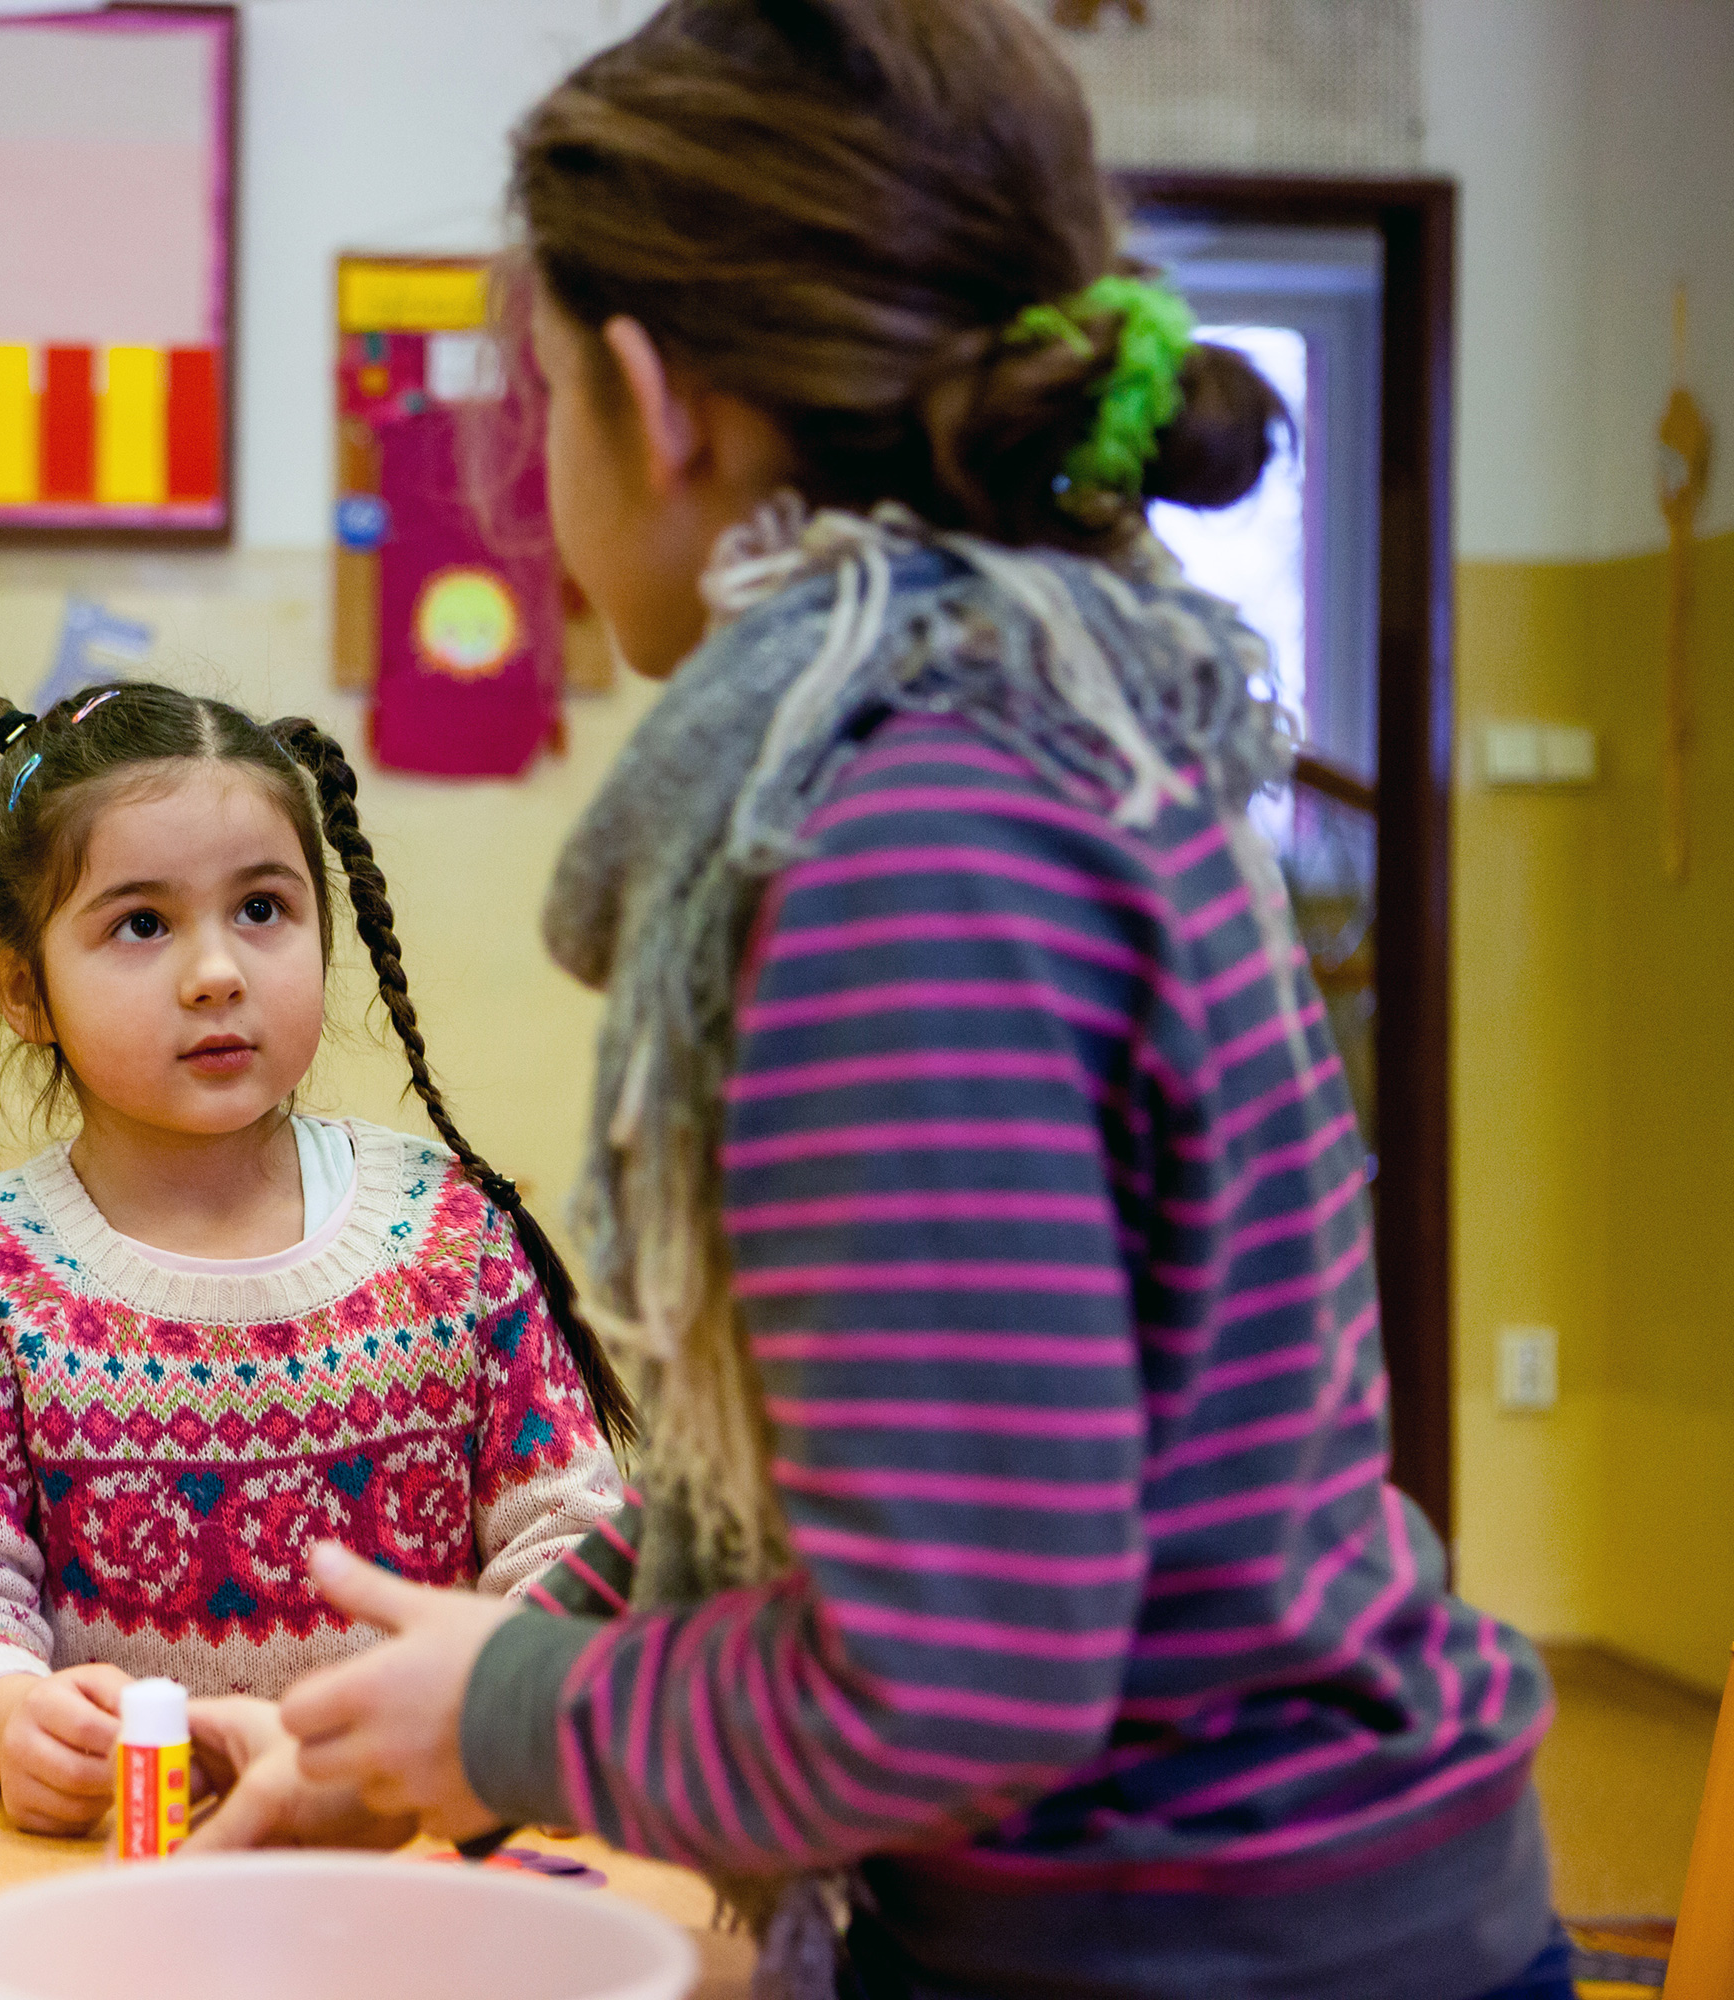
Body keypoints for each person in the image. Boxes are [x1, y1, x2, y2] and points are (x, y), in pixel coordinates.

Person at [186, 6, 1568, 1997]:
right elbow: (891, 1457)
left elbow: (964, 1678)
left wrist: (516, 1711)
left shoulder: (903, 856)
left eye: (542, 392)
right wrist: (454, 1680)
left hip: (1198, 1948)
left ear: (656, 405)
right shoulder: (1054, 722)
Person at [0, 681, 632, 1835]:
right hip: (119, 1878)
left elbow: (570, 1539)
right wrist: (9, 1716)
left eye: (263, 908)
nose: (217, 970)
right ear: (21, 988)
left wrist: (505, 1718)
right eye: (142, 923)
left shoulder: (451, 1234)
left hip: (414, 1862)